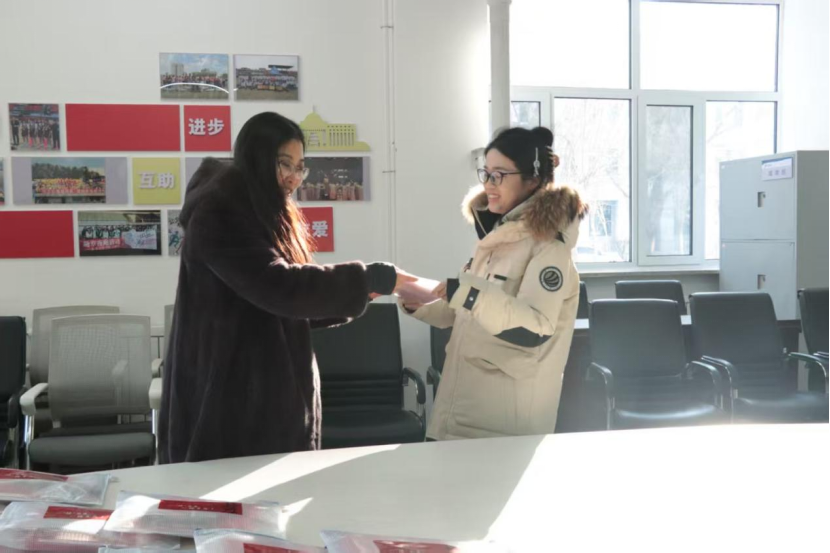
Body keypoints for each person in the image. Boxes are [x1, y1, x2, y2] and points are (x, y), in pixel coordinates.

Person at [160, 112, 413, 463]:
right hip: (231, 404)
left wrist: (364, 292)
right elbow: (279, 286)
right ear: (256, 158)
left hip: (263, 400)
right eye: (284, 164)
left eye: (300, 167)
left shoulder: (263, 210)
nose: (294, 177)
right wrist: (368, 278)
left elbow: (286, 304)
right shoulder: (220, 211)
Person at [402, 126, 587, 441]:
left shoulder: (549, 248)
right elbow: (467, 312)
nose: (488, 184)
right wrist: (415, 298)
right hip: (460, 410)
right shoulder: (499, 238)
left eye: (499, 175)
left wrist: (468, 294)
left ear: (532, 180)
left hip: (503, 425)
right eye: (485, 173)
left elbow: (534, 327)